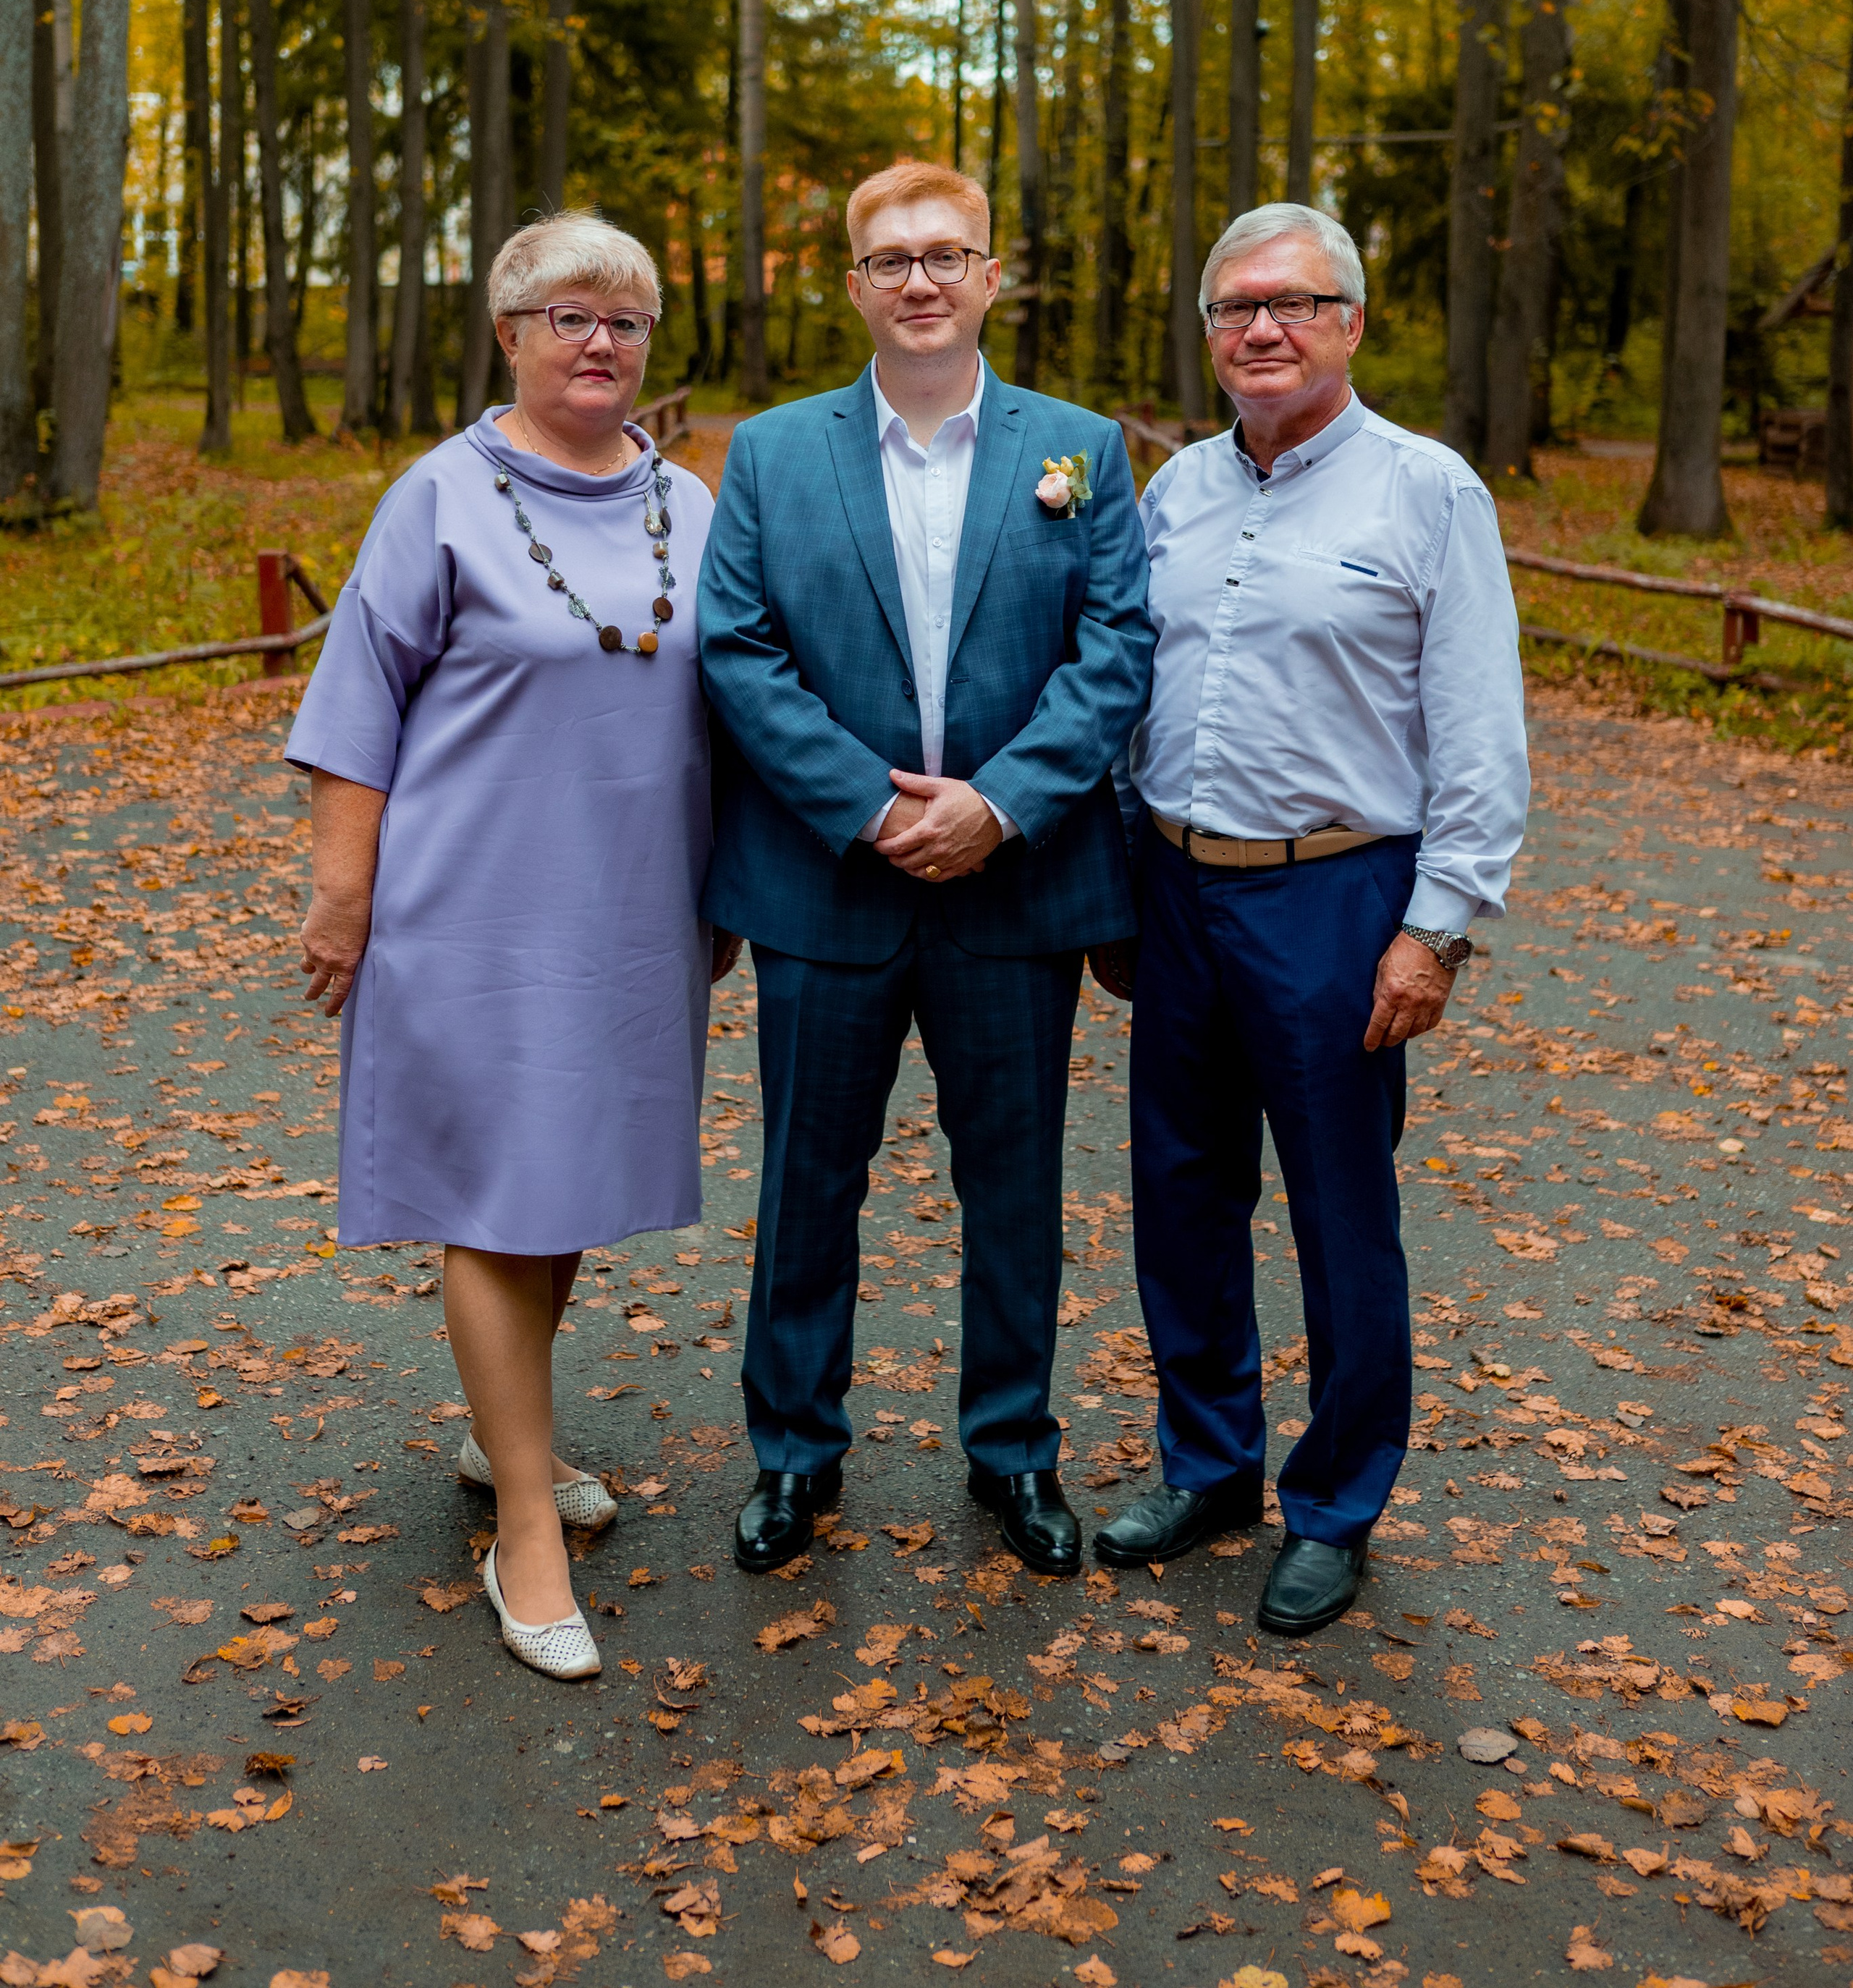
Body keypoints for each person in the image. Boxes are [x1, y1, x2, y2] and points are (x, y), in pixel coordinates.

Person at [290, 213, 735, 1682]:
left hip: (630, 910)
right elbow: (357, 708)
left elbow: (735, 707)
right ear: (510, 336)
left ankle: (508, 1439)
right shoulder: (440, 495)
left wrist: (726, 888)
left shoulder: (689, 503)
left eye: (622, 320)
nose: (597, 342)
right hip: (469, 909)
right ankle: (525, 1524)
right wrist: (339, 896)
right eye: (565, 316)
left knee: (569, 1192)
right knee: (497, 1194)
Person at [698, 161, 1153, 1578]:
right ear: (851, 285)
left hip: (1013, 891)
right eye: (889, 258)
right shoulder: (773, 455)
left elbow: (1116, 648)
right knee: (805, 1183)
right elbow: (737, 647)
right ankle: (793, 1455)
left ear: (990, 276)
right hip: (827, 888)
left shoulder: (1078, 450)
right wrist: (867, 806)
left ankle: (1012, 1451)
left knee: (1012, 1187)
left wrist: (999, 806)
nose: (918, 280)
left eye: (946, 254)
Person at [1099, 202, 1529, 1634]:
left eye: (1291, 302)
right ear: (1208, 332)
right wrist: (1114, 868)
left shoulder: (1424, 492)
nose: (1260, 329)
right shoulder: (1172, 495)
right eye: (1232, 308)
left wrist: (1436, 926)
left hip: (1336, 895)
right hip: (1174, 886)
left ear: (1350, 321)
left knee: (1342, 1213)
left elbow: (1476, 734)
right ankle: (1206, 1462)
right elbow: (1124, 690)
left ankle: (1334, 1501)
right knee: (1178, 1189)